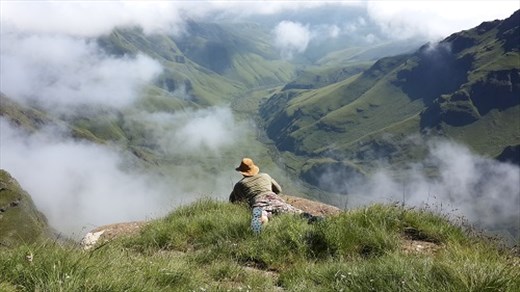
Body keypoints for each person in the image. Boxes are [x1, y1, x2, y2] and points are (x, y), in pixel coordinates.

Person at [229, 158, 318, 232]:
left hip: (258, 202)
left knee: (260, 214)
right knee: (295, 212)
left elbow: (235, 201)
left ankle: (263, 217)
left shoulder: (239, 185)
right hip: (274, 198)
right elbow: (278, 190)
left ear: (242, 172)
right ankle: (314, 219)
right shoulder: (265, 176)